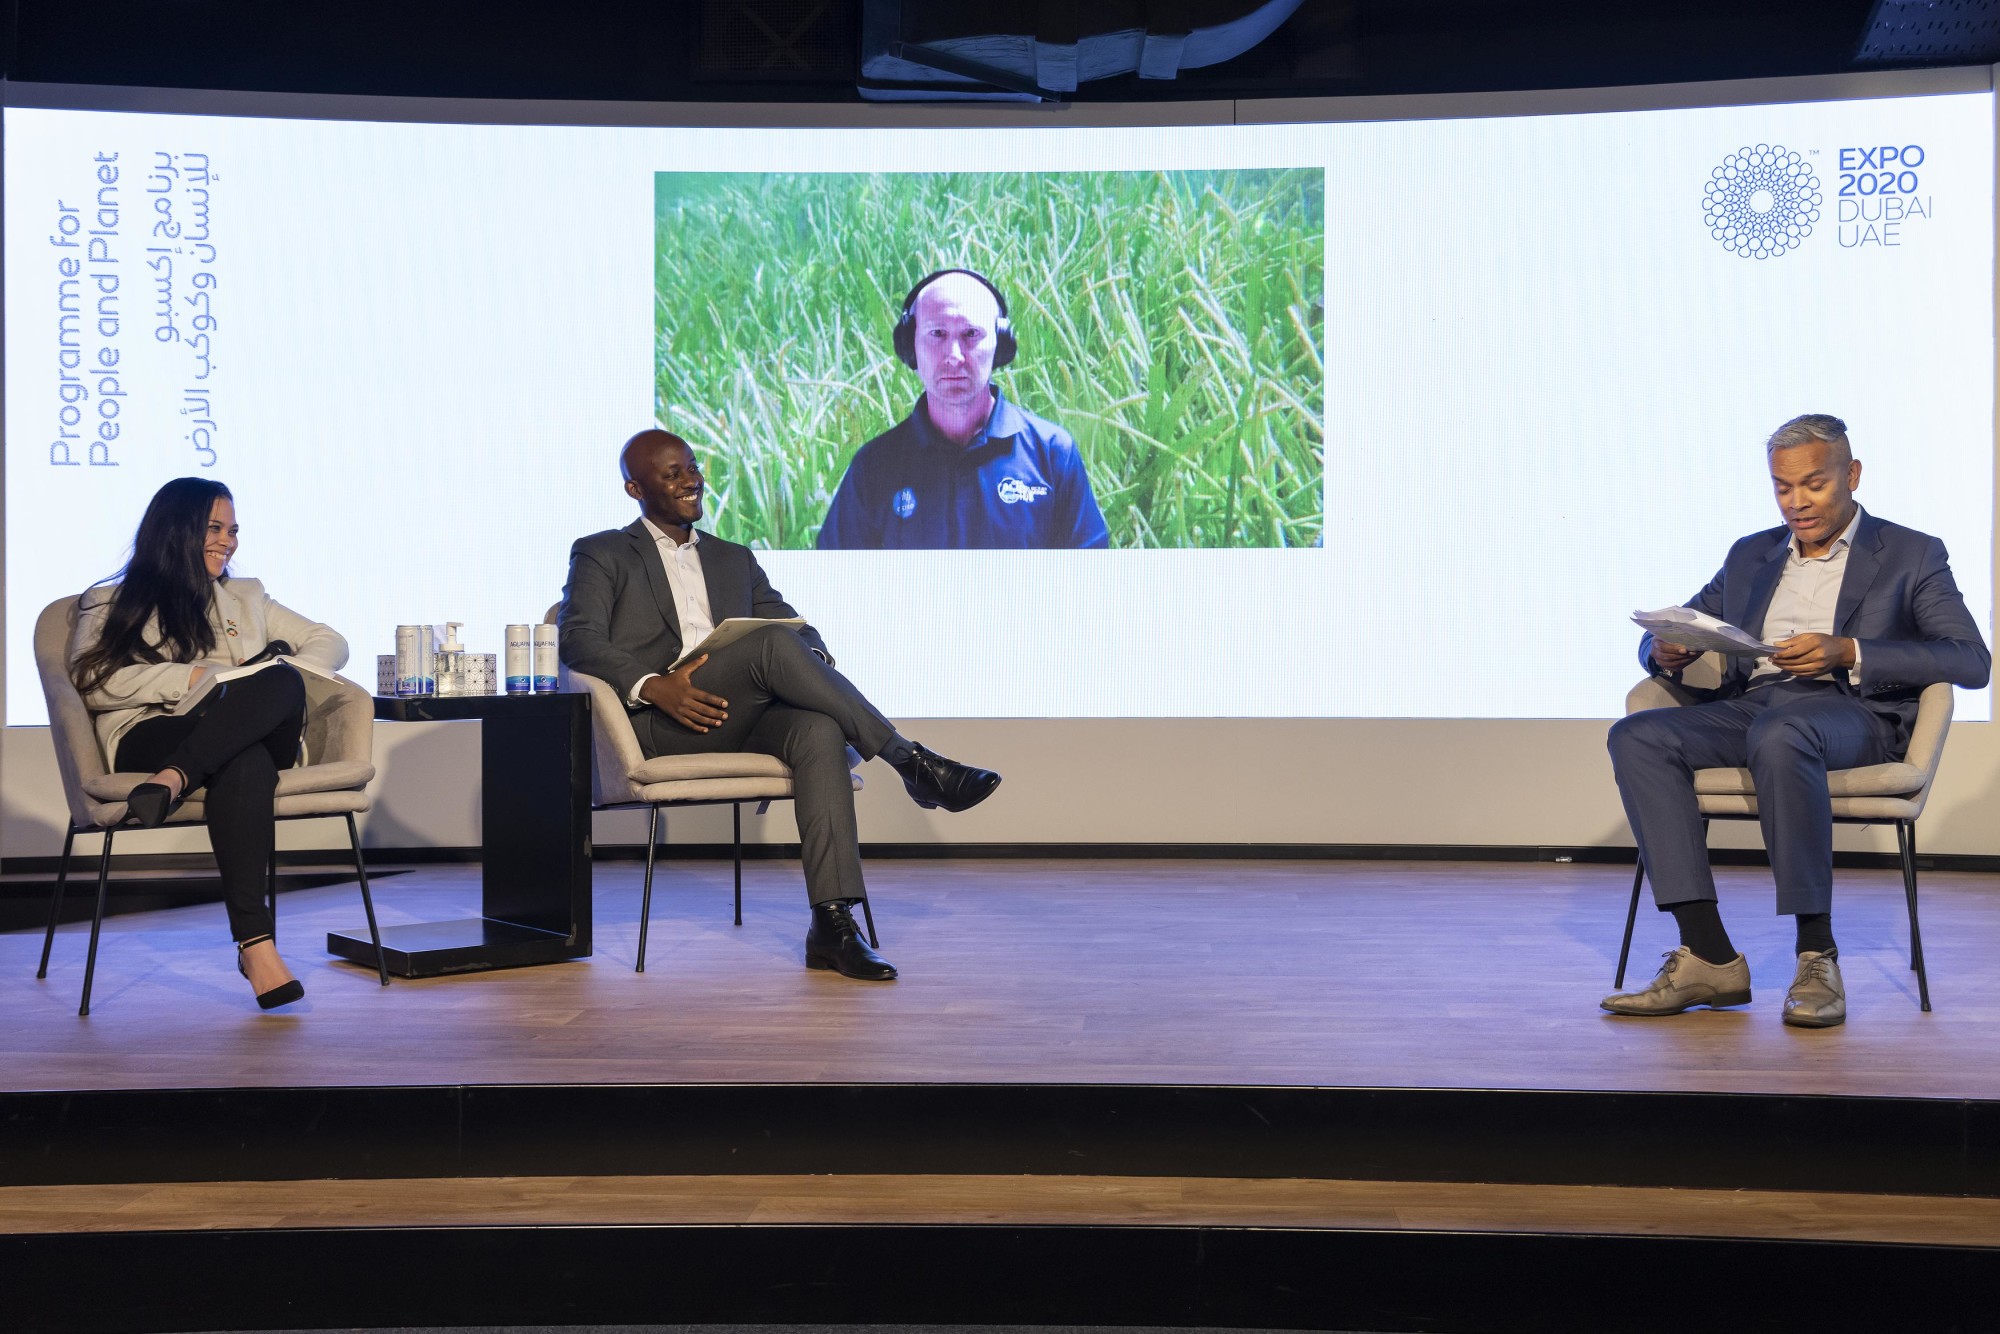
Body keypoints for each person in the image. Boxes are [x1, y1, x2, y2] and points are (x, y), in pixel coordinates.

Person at [560, 428, 1004, 980]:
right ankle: (911, 763)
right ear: (634, 488)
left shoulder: (733, 558)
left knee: (817, 728)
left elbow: (798, 628)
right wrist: (655, 686)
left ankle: (832, 925)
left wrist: (811, 657)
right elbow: (578, 639)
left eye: (693, 467)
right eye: (672, 473)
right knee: (770, 643)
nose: (691, 480)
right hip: (661, 724)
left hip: (737, 715)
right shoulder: (602, 552)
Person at [1604, 414, 1989, 1028]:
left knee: (1782, 734)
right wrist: (1666, 650)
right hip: (1755, 707)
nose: (1797, 502)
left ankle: (1817, 953)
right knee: (1637, 736)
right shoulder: (1751, 553)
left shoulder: (1911, 554)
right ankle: (1707, 952)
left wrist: (1850, 651)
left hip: (1852, 712)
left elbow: (1971, 659)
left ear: (1851, 475)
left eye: (1813, 484)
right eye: (1783, 488)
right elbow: (1688, 620)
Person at [69, 478, 350, 1010]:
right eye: (215, 529)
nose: (228, 541)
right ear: (176, 531)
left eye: (233, 531)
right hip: (154, 733)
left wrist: (273, 660)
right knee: (242, 759)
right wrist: (198, 676)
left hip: (230, 732)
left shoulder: (247, 596)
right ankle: (257, 947)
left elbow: (332, 641)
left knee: (283, 678)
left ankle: (175, 779)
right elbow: (97, 682)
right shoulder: (109, 602)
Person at [817, 268, 1111, 549]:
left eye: (971, 334)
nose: (954, 355)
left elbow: (1089, 580)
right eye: (937, 334)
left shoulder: (1053, 454)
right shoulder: (873, 468)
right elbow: (835, 585)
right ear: (910, 345)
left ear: (1001, 344)